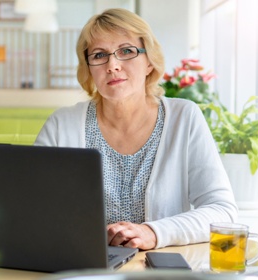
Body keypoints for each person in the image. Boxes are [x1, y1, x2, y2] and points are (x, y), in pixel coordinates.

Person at [34, 8, 238, 250]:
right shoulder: (61, 124)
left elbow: (222, 211)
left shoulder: (184, 117)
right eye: (99, 55)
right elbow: (34, 210)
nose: (112, 65)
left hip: (159, 270)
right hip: (84, 267)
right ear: (89, 68)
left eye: (126, 51)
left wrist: (153, 232)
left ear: (149, 61)